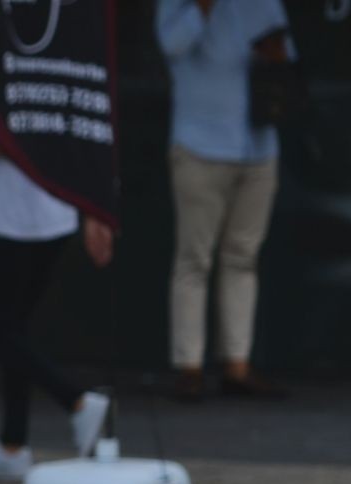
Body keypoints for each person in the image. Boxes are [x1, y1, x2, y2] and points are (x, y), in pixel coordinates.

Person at [0, 104, 114, 481]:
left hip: (23, 223)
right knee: (14, 332)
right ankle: (12, 446)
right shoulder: (47, 79)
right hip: (52, 217)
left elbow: (18, 144)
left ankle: (77, 402)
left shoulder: (19, 78)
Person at [156, 0, 292, 400]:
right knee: (193, 259)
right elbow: (171, 45)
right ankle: (189, 366)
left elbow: (287, 58)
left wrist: (274, 52)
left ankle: (237, 363)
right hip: (200, 145)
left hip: (258, 145)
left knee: (243, 255)